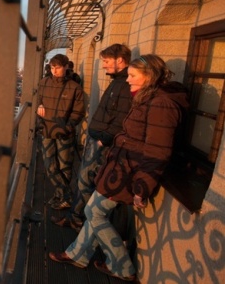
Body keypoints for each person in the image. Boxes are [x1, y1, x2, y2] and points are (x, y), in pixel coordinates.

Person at [48, 54, 189, 282]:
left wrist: (142, 185)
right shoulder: (148, 98)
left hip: (129, 172)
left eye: (133, 75)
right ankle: (78, 254)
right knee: (95, 211)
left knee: (93, 211)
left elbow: (157, 150)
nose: (128, 79)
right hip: (121, 168)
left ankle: (122, 267)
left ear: (149, 76)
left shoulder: (160, 103)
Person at [52, 44, 132, 231]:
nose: (103, 65)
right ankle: (78, 218)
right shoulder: (119, 81)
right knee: (85, 180)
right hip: (99, 139)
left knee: (85, 180)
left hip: (102, 141)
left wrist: (103, 139)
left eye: (105, 61)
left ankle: (81, 220)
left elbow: (122, 117)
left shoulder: (125, 84)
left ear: (119, 60)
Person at [36, 54, 85, 210]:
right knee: (49, 164)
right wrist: (39, 106)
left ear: (66, 67)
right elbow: (38, 101)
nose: (54, 70)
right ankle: (66, 195)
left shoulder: (74, 87)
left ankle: (60, 196)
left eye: (57, 67)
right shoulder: (43, 83)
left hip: (64, 132)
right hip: (47, 129)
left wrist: (67, 128)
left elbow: (78, 112)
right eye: (52, 67)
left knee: (65, 166)